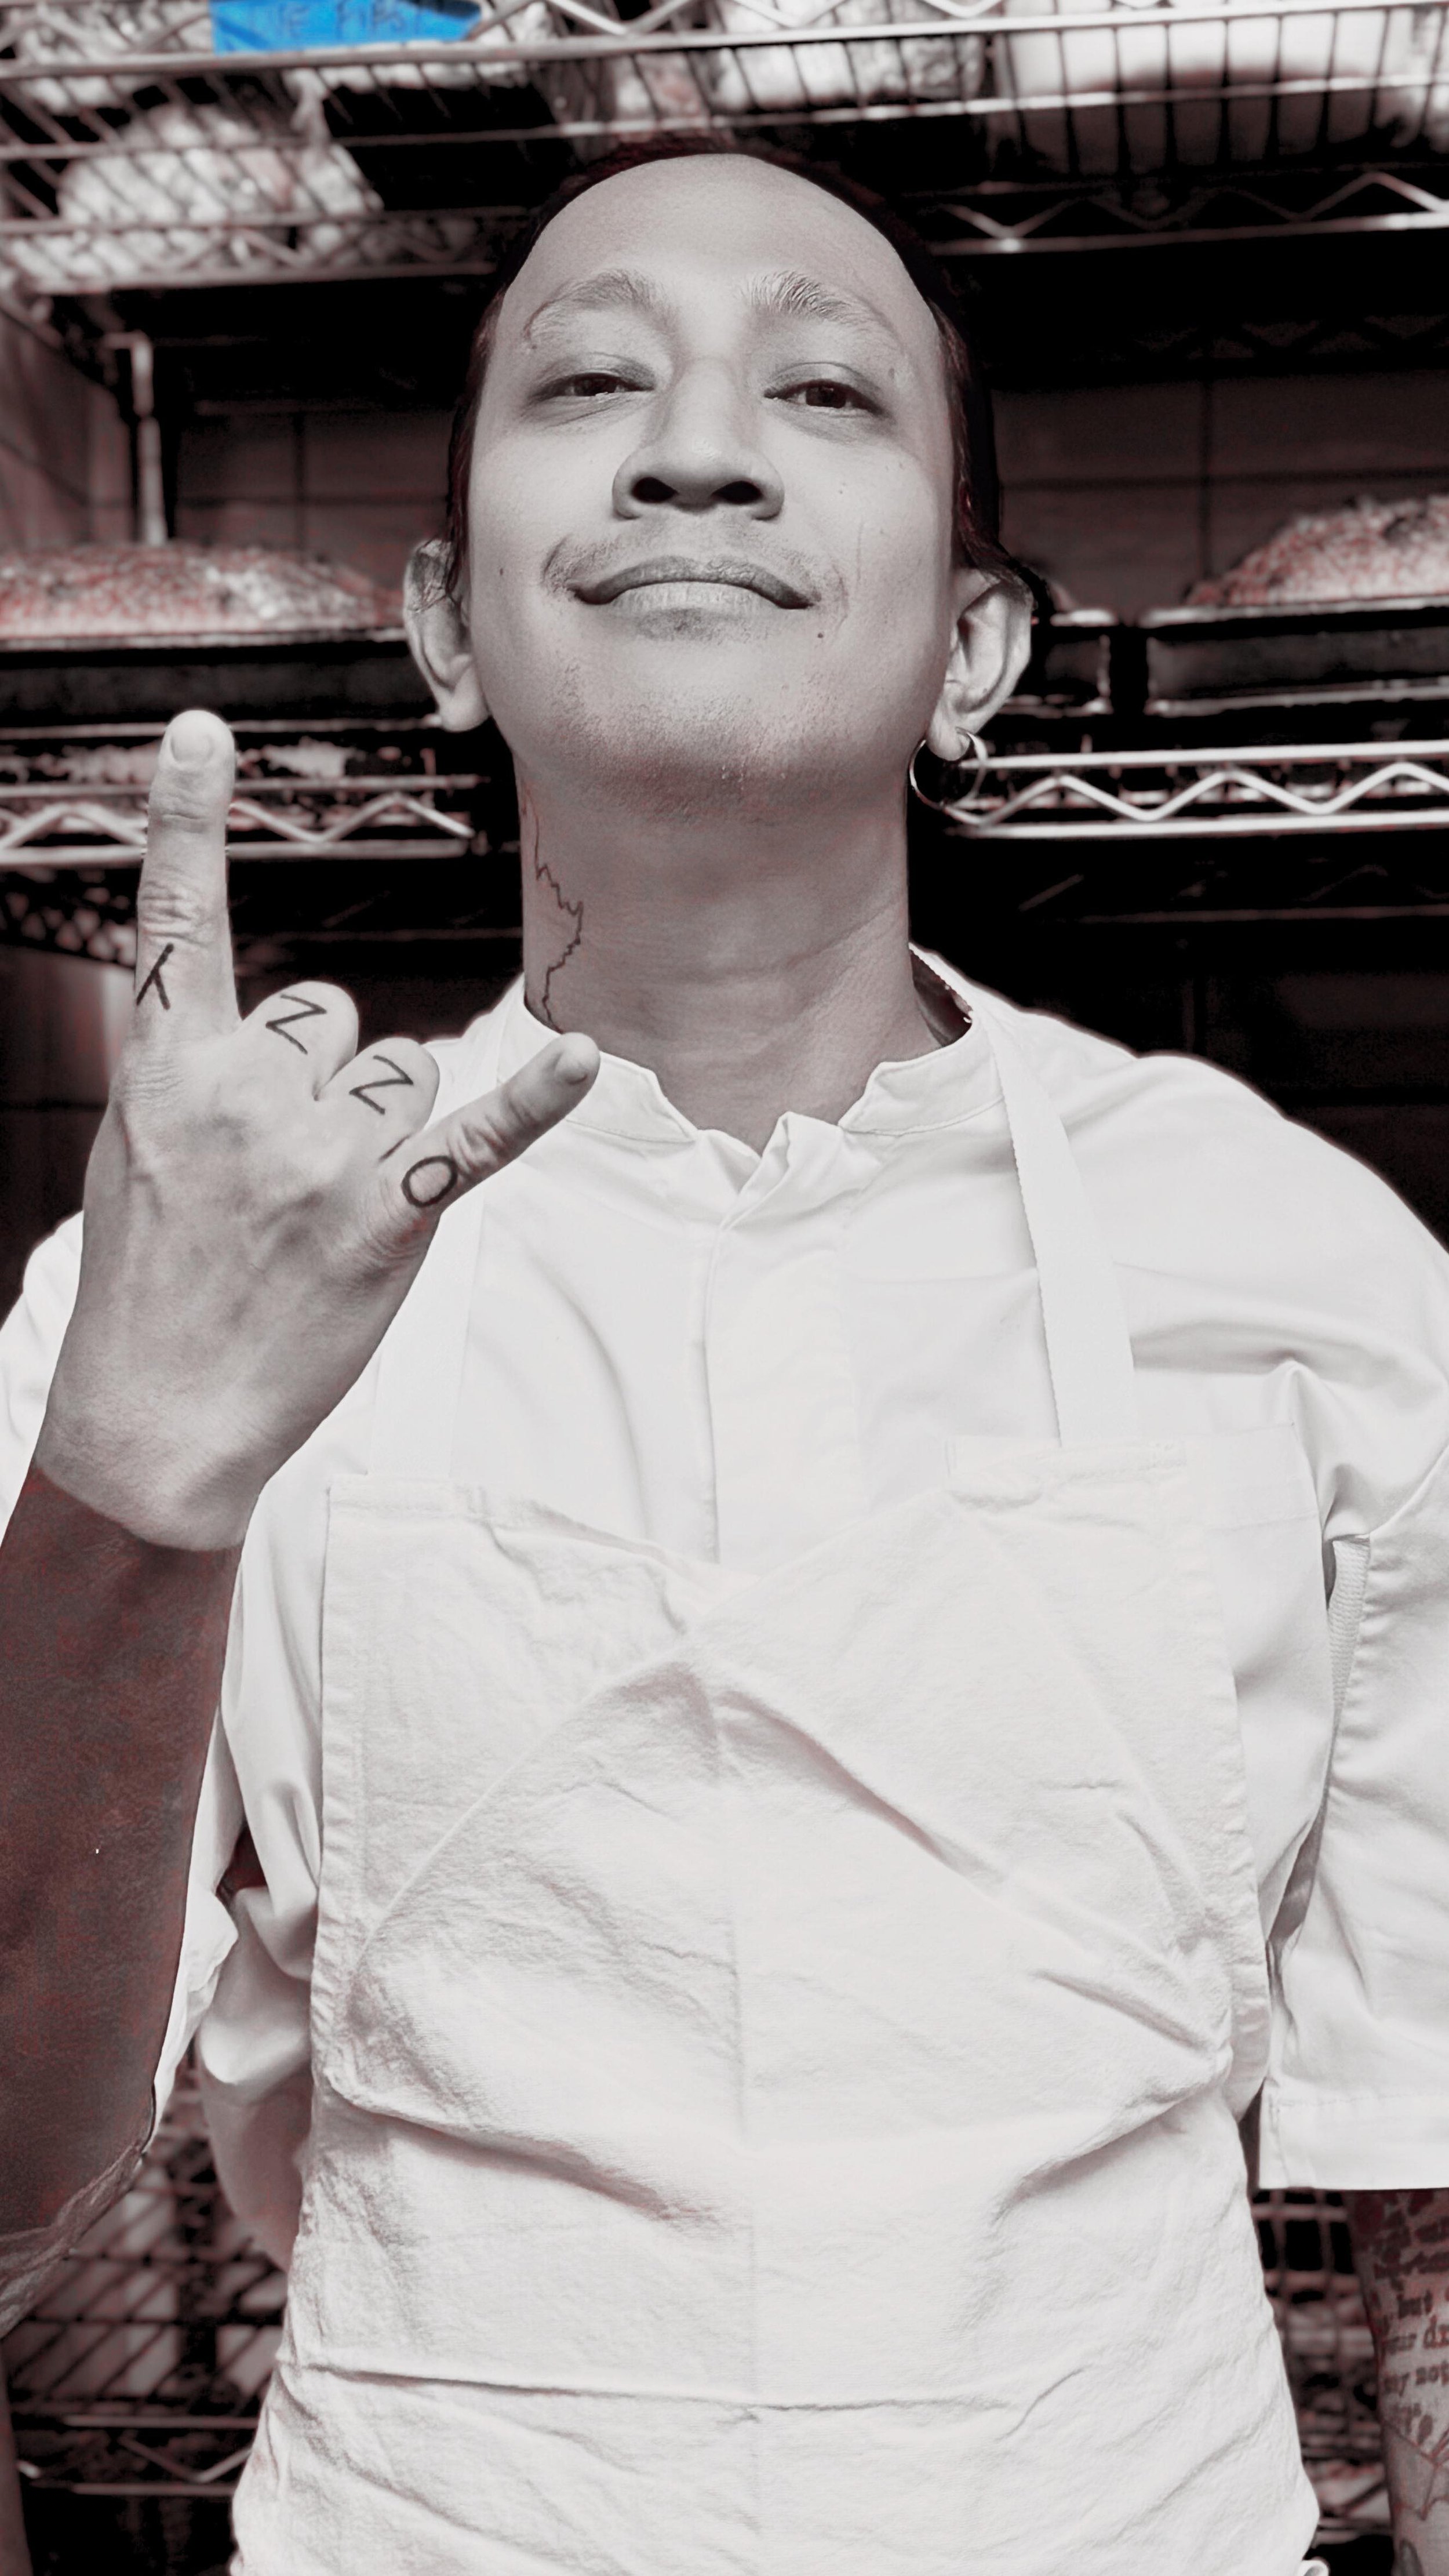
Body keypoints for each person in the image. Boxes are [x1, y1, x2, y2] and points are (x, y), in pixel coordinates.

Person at [2, 134, 1448, 2576]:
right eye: (589, 381)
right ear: (443, 627)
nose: (695, 446)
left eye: (823, 391)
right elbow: (3, 2170)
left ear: (974, 652)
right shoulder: (180, 1280)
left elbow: (1436, 2189)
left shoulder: (1298, 1264)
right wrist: (133, 1478)